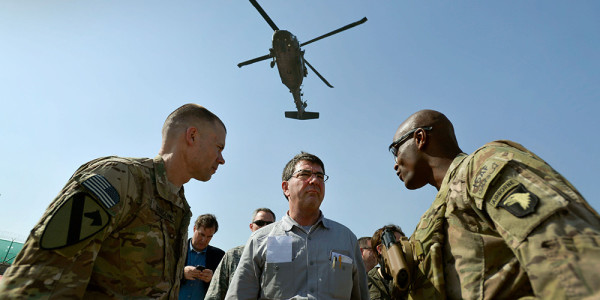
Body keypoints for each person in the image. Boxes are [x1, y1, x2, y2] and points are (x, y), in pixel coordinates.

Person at [0, 104, 227, 299]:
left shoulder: (179, 206)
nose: (222, 159)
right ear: (193, 135)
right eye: (218, 147)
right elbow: (38, 281)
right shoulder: (118, 178)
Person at [388, 109, 600, 299]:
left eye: (395, 149)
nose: (395, 163)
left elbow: (562, 245)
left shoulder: (483, 166)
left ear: (420, 138)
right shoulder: (435, 213)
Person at [225, 152, 369, 300]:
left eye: (320, 176)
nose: (314, 180)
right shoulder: (260, 240)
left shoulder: (346, 239)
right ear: (286, 187)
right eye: (305, 174)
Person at [205, 208, 276, 300]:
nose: (265, 227)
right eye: (260, 223)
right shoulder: (232, 255)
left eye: (270, 224)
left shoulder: (282, 258)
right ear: (251, 227)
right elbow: (215, 293)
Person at [180, 214, 225, 299]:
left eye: (209, 237)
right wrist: (182, 273)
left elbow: (225, 286)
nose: (204, 240)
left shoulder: (219, 256)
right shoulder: (176, 248)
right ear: (194, 229)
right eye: (202, 235)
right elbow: (161, 274)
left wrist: (213, 280)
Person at [367, 225, 405, 300]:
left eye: (403, 244)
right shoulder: (366, 282)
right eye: (397, 245)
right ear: (380, 249)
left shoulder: (411, 275)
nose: (402, 249)